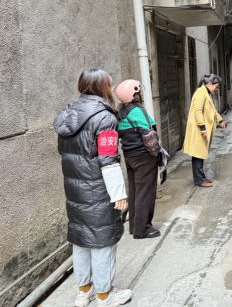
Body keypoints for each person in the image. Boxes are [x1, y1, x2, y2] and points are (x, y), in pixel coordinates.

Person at [53, 69, 132, 307]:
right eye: (109, 84)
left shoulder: (68, 114)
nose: (112, 88)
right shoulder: (105, 118)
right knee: (102, 242)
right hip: (98, 189)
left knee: (81, 239)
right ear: (101, 87)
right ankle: (105, 296)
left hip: (74, 190)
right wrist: (118, 193)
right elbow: (108, 159)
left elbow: (64, 152)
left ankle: (83, 292)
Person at [115, 80, 161, 240]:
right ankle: (143, 229)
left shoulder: (121, 112)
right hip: (144, 157)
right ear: (134, 93)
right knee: (145, 192)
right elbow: (148, 132)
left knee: (135, 192)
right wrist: (157, 154)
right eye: (139, 91)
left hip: (130, 157)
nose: (140, 93)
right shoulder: (137, 110)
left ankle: (134, 226)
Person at [183, 74, 226, 188]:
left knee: (200, 154)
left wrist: (220, 120)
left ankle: (201, 177)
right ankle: (199, 180)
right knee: (197, 155)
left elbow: (212, 110)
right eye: (216, 86)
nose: (216, 89)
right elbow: (198, 111)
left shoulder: (206, 93)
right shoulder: (200, 94)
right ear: (210, 84)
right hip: (198, 129)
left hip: (202, 128)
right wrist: (202, 127)